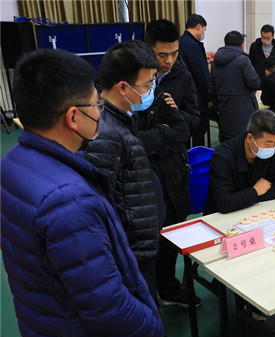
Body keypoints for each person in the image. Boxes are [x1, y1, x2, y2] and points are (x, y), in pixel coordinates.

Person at [1, 49, 165, 337]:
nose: (100, 112)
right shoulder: (68, 201)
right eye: (96, 105)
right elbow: (106, 305)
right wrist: (151, 326)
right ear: (73, 116)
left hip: (58, 333)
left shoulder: (14, 161)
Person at [204, 110, 275, 336]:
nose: (273, 147)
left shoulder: (272, 149)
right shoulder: (223, 155)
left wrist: (247, 198)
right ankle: (257, 300)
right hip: (224, 226)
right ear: (250, 137)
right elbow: (224, 203)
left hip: (260, 217)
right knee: (257, 261)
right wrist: (255, 191)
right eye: (268, 142)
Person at [85, 41, 162, 308]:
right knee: (139, 312)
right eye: (148, 84)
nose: (151, 90)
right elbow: (101, 203)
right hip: (130, 250)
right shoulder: (105, 133)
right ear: (123, 88)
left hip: (140, 243)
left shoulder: (122, 118)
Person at [142, 19, 204, 307]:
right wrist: (167, 130)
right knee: (144, 236)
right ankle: (145, 293)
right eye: (162, 55)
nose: (169, 61)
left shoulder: (182, 75)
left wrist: (177, 114)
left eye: (174, 53)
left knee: (172, 229)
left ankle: (167, 286)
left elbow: (194, 120)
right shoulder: (134, 76)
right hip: (144, 169)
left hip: (174, 165)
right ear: (148, 50)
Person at [210, 30, 261, 142]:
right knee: (243, 142)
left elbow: (212, 87)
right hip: (243, 109)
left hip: (224, 108)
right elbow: (255, 82)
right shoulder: (243, 60)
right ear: (241, 45)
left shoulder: (215, 62)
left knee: (227, 141)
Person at [179, 14, 210, 147]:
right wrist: (208, 97)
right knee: (198, 132)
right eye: (204, 30)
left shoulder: (181, 41)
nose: (203, 33)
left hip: (182, 97)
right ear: (199, 27)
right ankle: (198, 157)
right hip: (196, 97)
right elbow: (201, 74)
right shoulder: (192, 45)